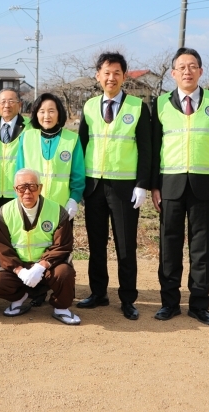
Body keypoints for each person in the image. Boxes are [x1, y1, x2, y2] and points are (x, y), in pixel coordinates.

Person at [151, 47, 209, 326]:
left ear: (201, 71)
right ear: (173, 73)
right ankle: (169, 303)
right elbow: (154, 149)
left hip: (205, 187)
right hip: (170, 186)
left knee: (202, 249)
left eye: (192, 66)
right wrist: (154, 186)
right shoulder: (160, 103)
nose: (187, 71)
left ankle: (200, 305)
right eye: (181, 67)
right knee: (169, 247)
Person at [77, 52, 151, 320]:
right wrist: (79, 186)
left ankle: (128, 299)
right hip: (94, 186)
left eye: (116, 73)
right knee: (96, 244)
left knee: (125, 245)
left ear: (124, 76)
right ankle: (98, 293)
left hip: (124, 189)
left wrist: (142, 184)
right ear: (98, 75)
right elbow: (80, 147)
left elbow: (146, 149)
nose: (111, 78)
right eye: (106, 73)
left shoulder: (137, 107)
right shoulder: (88, 107)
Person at [0, 169, 79, 324]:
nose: (27, 192)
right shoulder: (4, 213)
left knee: (64, 273)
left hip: (48, 267)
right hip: (19, 270)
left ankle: (61, 308)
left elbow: (62, 245)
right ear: (15, 189)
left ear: (40, 188)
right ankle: (19, 298)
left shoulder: (57, 211)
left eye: (32, 186)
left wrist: (41, 266)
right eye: (21, 188)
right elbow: (2, 247)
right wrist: (19, 270)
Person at [16, 93, 84, 218]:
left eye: (51, 111)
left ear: (59, 113)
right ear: (36, 114)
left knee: (60, 238)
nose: (46, 116)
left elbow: (78, 175)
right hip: (32, 205)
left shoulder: (72, 139)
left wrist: (74, 199)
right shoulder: (26, 138)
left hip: (62, 206)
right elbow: (19, 172)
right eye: (42, 111)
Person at [0, 88, 31, 226]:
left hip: (20, 193)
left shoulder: (31, 126)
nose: (7, 105)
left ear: (20, 104)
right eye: (3, 102)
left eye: (11, 101)